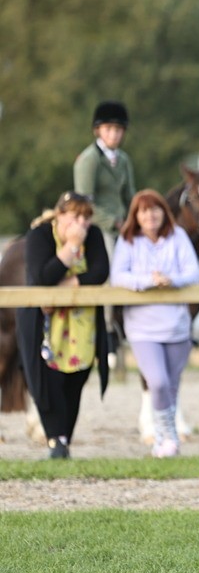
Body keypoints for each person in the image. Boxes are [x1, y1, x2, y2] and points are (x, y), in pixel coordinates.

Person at [15, 192, 110, 459]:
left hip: (83, 324)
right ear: (60, 214)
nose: (81, 222)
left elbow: (100, 272)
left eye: (86, 217)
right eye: (75, 215)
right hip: (43, 325)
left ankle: (63, 439)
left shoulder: (94, 237)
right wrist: (71, 247)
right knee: (47, 382)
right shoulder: (40, 235)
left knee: (75, 381)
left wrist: (67, 285)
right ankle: (55, 441)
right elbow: (41, 275)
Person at [109, 190, 199, 457]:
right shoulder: (128, 242)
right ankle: (166, 435)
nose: (151, 215)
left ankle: (167, 441)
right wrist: (148, 281)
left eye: (156, 209)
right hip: (142, 327)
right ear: (136, 216)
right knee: (157, 382)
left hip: (176, 325)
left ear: (164, 212)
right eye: (144, 211)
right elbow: (118, 276)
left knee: (171, 385)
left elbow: (192, 272)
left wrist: (171, 279)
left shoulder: (178, 237)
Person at [73, 101, 135, 242]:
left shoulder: (124, 159)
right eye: (108, 129)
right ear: (98, 130)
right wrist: (114, 222)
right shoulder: (89, 159)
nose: (113, 135)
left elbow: (129, 196)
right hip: (98, 227)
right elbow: (84, 203)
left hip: (123, 225)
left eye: (118, 130)